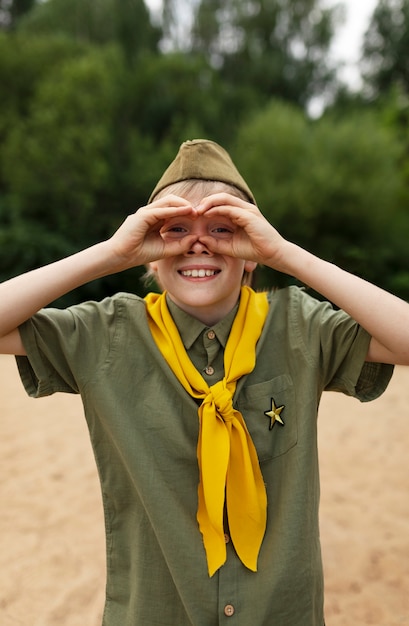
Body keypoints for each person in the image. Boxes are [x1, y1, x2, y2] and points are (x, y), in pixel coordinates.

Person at [0, 138, 408, 626]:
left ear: (251, 250)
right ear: (149, 255)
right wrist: (110, 255)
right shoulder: (108, 335)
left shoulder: (299, 326)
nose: (199, 244)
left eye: (223, 228)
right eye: (174, 230)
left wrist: (287, 254)